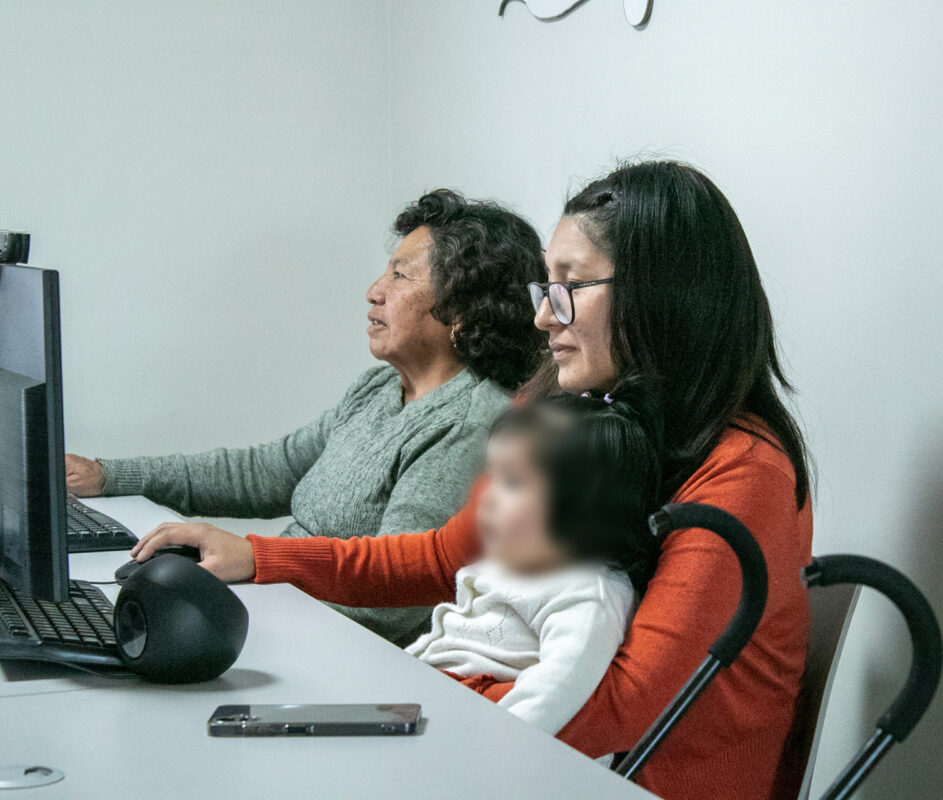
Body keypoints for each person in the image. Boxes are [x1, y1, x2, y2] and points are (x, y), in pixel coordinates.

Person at [131, 161, 813, 800]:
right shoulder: (557, 407)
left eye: (570, 286)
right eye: (546, 287)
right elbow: (449, 556)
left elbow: (623, 709)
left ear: (664, 298)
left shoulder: (743, 469)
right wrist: (260, 557)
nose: (545, 315)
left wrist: (407, 719)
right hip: (516, 746)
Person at [71, 189, 545, 647]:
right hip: (276, 615)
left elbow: (393, 600)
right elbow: (264, 473)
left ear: (461, 308)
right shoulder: (378, 389)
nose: (374, 291)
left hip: (330, 651)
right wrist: (109, 476)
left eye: (400, 276)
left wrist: (249, 574)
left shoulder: (468, 425)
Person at [406, 382, 662, 736]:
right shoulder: (518, 558)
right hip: (434, 705)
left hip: (490, 743)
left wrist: (495, 748)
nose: (488, 497)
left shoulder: (589, 588)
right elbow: (446, 641)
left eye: (511, 482)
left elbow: (558, 688)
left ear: (578, 505)